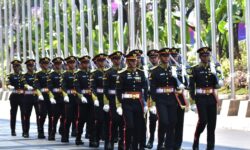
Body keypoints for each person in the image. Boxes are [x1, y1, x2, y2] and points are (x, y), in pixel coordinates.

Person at [189, 47, 223, 150]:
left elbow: (217, 84)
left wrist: (218, 75)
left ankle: (210, 147)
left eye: (207, 55)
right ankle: (196, 139)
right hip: (201, 98)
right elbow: (192, 87)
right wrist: (192, 101)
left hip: (211, 97)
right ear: (200, 57)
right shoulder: (195, 69)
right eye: (204, 56)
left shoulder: (213, 68)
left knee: (212, 124)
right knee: (203, 121)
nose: (206, 57)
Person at [116, 51, 148, 150]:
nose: (133, 63)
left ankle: (135, 147)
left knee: (138, 127)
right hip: (127, 103)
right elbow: (118, 91)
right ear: (127, 61)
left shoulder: (141, 73)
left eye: (134, 61)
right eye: (131, 61)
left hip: (138, 103)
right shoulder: (122, 74)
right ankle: (127, 145)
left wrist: (146, 103)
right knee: (130, 126)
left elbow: (145, 89)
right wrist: (119, 105)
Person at [149, 48, 179, 149]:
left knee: (173, 121)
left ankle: (168, 144)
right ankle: (160, 142)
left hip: (172, 98)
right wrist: (153, 102)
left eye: (167, 56)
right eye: (164, 56)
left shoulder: (173, 69)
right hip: (160, 99)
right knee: (164, 121)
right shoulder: (155, 71)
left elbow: (180, 84)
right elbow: (152, 88)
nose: (166, 58)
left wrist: (178, 77)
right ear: (160, 57)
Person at [103, 51, 124, 150]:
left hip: (122, 100)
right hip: (111, 100)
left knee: (122, 122)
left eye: (119, 59)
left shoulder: (123, 71)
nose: (117, 61)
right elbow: (105, 89)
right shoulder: (108, 72)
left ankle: (121, 142)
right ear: (111, 60)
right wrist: (106, 102)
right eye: (115, 59)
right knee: (112, 121)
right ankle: (109, 141)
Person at [61, 56, 84, 143]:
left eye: (73, 62)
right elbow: (63, 87)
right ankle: (65, 135)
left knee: (78, 118)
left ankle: (77, 136)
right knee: (68, 118)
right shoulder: (65, 74)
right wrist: (65, 95)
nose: (72, 64)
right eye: (70, 62)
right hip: (69, 99)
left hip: (78, 99)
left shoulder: (78, 74)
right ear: (67, 64)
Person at [75, 55, 96, 146]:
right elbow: (77, 87)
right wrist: (81, 96)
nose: (86, 64)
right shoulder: (78, 74)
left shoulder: (91, 73)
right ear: (80, 63)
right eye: (84, 63)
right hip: (83, 100)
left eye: (87, 62)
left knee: (91, 120)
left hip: (91, 99)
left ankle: (92, 139)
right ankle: (78, 137)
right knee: (81, 120)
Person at [91, 53, 109, 148]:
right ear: (96, 62)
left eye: (103, 60)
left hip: (108, 100)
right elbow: (92, 88)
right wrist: (95, 99)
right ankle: (96, 139)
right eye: (100, 61)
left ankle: (107, 140)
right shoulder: (94, 74)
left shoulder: (109, 72)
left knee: (108, 121)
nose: (102, 63)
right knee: (99, 120)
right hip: (99, 99)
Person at [35, 56, 54, 139]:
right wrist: (39, 95)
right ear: (40, 64)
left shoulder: (52, 74)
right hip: (43, 97)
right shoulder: (38, 74)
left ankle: (51, 133)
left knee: (51, 115)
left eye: (47, 63)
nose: (46, 65)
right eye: (44, 63)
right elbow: (37, 86)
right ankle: (40, 131)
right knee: (43, 115)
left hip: (51, 97)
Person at [6, 59, 26, 136]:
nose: (16, 67)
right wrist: (9, 86)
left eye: (17, 66)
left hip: (22, 97)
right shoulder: (10, 75)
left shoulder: (23, 76)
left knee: (23, 114)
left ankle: (24, 131)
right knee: (13, 114)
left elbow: (25, 84)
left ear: (20, 66)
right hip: (14, 97)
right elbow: (8, 83)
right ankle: (13, 130)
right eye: (14, 66)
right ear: (13, 67)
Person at [47, 56, 64, 141]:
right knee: (55, 117)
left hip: (64, 99)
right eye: (57, 64)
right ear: (54, 65)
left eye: (60, 63)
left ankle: (62, 130)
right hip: (56, 98)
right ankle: (52, 133)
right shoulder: (51, 75)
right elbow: (50, 87)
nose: (58, 65)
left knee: (64, 116)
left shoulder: (64, 74)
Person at [22, 58, 40, 138]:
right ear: (27, 66)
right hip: (28, 98)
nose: (31, 67)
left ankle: (40, 132)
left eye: (32, 65)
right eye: (29, 65)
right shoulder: (24, 76)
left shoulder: (37, 75)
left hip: (36, 98)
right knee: (27, 115)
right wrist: (27, 86)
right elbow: (24, 83)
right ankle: (26, 131)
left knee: (39, 115)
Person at [146, 49, 159, 149]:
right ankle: (150, 139)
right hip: (150, 97)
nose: (153, 59)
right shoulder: (146, 68)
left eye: (155, 57)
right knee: (152, 119)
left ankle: (162, 140)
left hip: (162, 96)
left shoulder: (162, 67)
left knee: (164, 120)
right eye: (151, 57)